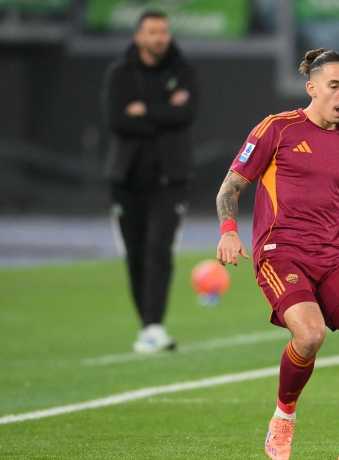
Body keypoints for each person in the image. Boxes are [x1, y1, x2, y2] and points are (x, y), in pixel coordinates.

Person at [215, 48, 339, 460]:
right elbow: (229, 188)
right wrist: (228, 231)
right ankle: (283, 417)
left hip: (333, 257)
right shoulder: (276, 129)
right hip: (281, 253)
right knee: (311, 334)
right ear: (312, 89)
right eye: (334, 86)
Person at [102, 10, 198, 353]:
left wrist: (144, 109)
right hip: (126, 180)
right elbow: (118, 121)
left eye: (163, 31)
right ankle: (147, 326)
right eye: (152, 32)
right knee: (135, 254)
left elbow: (185, 114)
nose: (159, 37)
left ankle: (154, 325)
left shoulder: (183, 71)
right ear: (139, 37)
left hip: (169, 180)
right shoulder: (120, 73)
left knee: (159, 248)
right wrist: (164, 112)